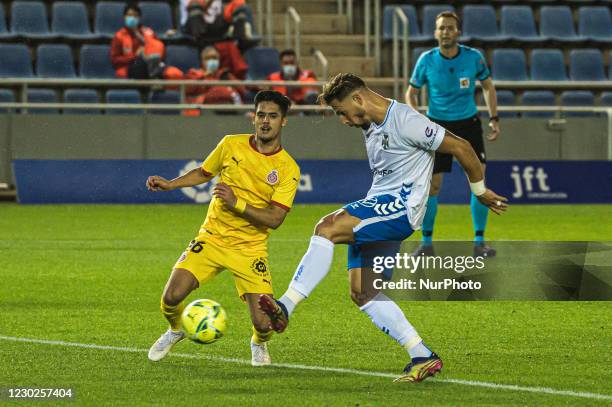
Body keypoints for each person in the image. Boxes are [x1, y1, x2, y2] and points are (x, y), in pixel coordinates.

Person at [258, 73, 507, 382]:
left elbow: (461, 146)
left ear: (358, 99)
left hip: (398, 209)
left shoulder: (404, 119)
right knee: (363, 292)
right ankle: (422, 354)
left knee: (327, 228)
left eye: (341, 111)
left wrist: (480, 191)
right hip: (380, 207)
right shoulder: (371, 124)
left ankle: (286, 306)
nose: (343, 120)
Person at [146, 91, 300, 366]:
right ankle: (176, 330)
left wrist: (237, 203)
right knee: (171, 297)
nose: (266, 122)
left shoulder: (288, 168)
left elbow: (275, 218)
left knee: (264, 323)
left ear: (283, 122)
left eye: (273, 116)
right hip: (213, 236)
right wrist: (171, 184)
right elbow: (203, 172)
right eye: (261, 115)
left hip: (250, 248)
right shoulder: (230, 144)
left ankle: (258, 343)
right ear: (254, 117)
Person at [405, 11, 501, 257]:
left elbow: (488, 86)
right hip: (437, 127)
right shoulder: (426, 60)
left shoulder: (473, 58)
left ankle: (479, 242)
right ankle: (427, 244)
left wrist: (494, 118)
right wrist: (417, 121)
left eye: (450, 28)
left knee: (478, 182)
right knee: (433, 186)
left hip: (468, 125)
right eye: (441, 28)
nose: (445, 32)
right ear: (436, 32)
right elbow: (411, 93)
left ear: (458, 32)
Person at [179, 0, 254, 78]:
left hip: (221, 41)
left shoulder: (230, 4)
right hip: (200, 42)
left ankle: (227, 77)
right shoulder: (195, 3)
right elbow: (194, 31)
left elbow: (239, 34)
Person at [110, 4, 183, 80]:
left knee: (175, 73)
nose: (132, 18)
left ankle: (154, 75)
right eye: (129, 15)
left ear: (139, 18)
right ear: (124, 17)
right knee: (138, 68)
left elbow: (159, 51)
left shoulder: (149, 32)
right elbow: (115, 60)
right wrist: (134, 56)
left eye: (135, 16)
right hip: (131, 66)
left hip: (151, 64)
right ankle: (154, 77)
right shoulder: (119, 36)